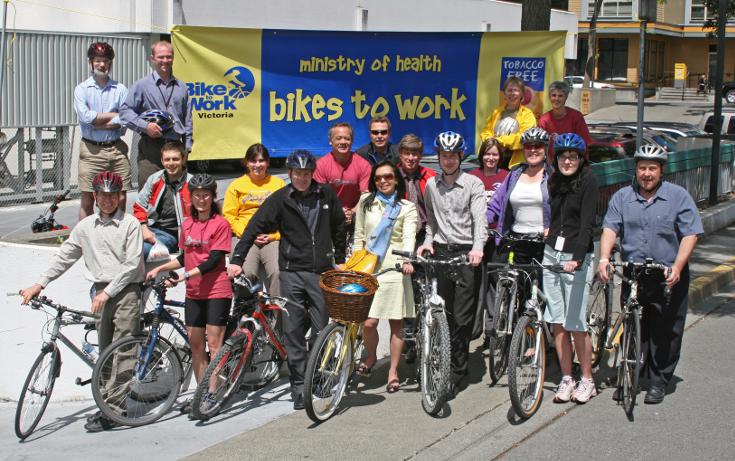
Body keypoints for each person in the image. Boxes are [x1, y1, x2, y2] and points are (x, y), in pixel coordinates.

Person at [20, 171, 144, 432]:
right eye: (103, 195)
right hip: (100, 290)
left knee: (122, 349)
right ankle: (106, 404)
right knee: (104, 349)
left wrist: (107, 293)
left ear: (120, 196)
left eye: (112, 195)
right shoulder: (86, 227)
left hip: (126, 290)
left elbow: (132, 265)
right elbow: (65, 256)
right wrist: (39, 283)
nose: (108, 200)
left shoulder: (130, 224)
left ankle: (116, 409)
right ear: (95, 197)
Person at [227, 150, 346, 410]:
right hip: (291, 272)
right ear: (289, 174)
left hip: (321, 272)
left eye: (306, 173)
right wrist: (237, 259)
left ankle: (317, 375)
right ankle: (298, 385)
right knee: (292, 331)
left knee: (320, 329)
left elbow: (338, 225)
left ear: (311, 173)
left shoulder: (326, 194)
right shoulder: (280, 198)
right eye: (297, 173)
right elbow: (253, 227)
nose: (301, 178)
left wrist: (340, 257)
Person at [598, 144, 703, 405]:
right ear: (636, 170)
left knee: (665, 330)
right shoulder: (622, 197)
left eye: (652, 169)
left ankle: (659, 381)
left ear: (661, 171)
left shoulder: (678, 196)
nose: (647, 174)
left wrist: (678, 266)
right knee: (632, 324)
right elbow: (610, 229)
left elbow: (691, 233)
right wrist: (603, 258)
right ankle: (630, 373)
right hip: (635, 272)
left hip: (667, 272)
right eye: (642, 168)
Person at [146, 174, 232, 400]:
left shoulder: (220, 224)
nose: (201, 199)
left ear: (213, 197)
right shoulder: (187, 224)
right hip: (194, 292)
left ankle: (214, 392)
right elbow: (185, 257)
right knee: (196, 345)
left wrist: (183, 277)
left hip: (216, 290)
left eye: (206, 195)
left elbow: (214, 260)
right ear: (190, 198)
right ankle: (201, 392)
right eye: (197, 195)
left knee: (214, 344)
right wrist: (159, 269)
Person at [416, 131, 487, 399]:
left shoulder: (473, 184)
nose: (447, 161)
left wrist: (478, 247)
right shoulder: (431, 186)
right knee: (443, 314)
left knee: (462, 316)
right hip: (443, 252)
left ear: (460, 157)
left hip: (468, 252)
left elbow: (480, 220)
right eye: (443, 156)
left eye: (452, 156)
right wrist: (427, 242)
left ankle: (458, 370)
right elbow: (431, 223)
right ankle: (443, 363)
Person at [542, 133, 599, 404]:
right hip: (552, 251)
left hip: (577, 256)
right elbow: (553, 217)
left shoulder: (588, 181)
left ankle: (587, 378)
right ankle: (567, 377)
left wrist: (577, 258)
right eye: (563, 156)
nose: (567, 161)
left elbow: (587, 224)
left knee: (575, 322)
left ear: (580, 159)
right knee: (557, 321)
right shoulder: (554, 181)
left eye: (572, 156)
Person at [353, 161, 417, 393]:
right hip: (368, 266)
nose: (383, 181)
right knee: (368, 322)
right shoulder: (366, 202)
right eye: (378, 177)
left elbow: (409, 236)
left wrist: (408, 259)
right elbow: (359, 235)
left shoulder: (406, 207)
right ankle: (371, 356)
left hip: (396, 266)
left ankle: (392, 371)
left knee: (396, 323)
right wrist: (355, 262)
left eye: (388, 176)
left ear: (396, 179)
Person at [120, 40, 192, 188]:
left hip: (175, 145)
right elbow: (125, 112)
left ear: (173, 58)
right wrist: (145, 126)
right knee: (149, 192)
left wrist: (187, 147)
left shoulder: (182, 87)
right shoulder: (142, 85)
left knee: (178, 192)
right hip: (151, 147)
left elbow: (187, 119)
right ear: (153, 58)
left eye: (168, 56)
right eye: (160, 57)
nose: (165, 61)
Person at [73, 42, 131, 219]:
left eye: (105, 60)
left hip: (116, 149)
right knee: (88, 198)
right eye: (98, 60)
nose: (102, 64)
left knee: (120, 195)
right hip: (91, 151)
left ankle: (118, 234)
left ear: (111, 63)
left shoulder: (120, 89)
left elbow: (125, 118)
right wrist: (113, 115)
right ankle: (85, 240)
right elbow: (86, 118)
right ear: (91, 62)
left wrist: (98, 122)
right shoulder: (82, 89)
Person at [222, 143, 286, 295]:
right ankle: (247, 315)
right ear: (246, 163)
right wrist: (248, 234)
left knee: (279, 273)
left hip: (271, 238)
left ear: (268, 162)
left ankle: (276, 316)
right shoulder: (236, 185)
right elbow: (229, 217)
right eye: (253, 161)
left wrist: (274, 236)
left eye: (261, 161)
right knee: (246, 273)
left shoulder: (279, 184)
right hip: (243, 237)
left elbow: (287, 218)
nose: (257, 165)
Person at [486, 127, 552, 265]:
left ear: (545, 149)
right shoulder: (515, 174)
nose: (533, 150)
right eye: (528, 146)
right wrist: (480, 224)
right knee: (517, 283)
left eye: (538, 146)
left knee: (543, 285)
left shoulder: (552, 176)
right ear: (523, 149)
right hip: (517, 241)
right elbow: (495, 205)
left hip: (545, 242)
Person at [396, 133, 436, 363]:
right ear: (400, 154)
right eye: (407, 153)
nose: (411, 158)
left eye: (415, 153)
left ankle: (425, 336)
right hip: (400, 238)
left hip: (424, 236)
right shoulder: (391, 175)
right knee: (404, 291)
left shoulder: (429, 176)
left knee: (425, 289)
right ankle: (407, 340)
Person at [468, 137, 509, 344]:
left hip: (497, 239)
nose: (490, 158)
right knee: (475, 285)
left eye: (494, 154)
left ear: (500, 157)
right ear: (481, 155)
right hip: (474, 239)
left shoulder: (507, 176)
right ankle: (473, 329)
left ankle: (492, 331)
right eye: (487, 153)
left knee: (495, 284)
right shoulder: (472, 176)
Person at [133, 141, 192, 260]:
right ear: (161, 161)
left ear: (183, 159)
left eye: (175, 159)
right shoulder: (154, 179)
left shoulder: (193, 184)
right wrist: (144, 229)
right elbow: (139, 206)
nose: (171, 163)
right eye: (167, 159)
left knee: (141, 250)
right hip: (150, 229)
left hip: (172, 235)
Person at [313, 122, 371, 238]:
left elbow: (366, 195)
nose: (343, 142)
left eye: (347, 139)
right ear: (330, 141)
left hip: (356, 213)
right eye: (338, 138)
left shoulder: (363, 165)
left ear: (352, 141)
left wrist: (353, 212)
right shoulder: (320, 165)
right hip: (329, 212)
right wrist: (338, 212)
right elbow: (320, 197)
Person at [480, 76, 537, 169]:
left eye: (516, 90)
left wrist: (500, 141)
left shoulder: (527, 115)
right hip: (494, 161)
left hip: (516, 165)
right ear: (504, 93)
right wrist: (490, 141)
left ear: (522, 94)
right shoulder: (496, 112)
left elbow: (524, 138)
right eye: (509, 90)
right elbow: (486, 132)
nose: (512, 93)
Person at [538, 81, 592, 162]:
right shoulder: (544, 120)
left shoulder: (576, 117)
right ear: (549, 97)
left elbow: (585, 143)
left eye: (560, 96)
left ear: (565, 98)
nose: (556, 99)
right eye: (554, 95)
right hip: (552, 166)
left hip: (573, 164)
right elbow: (540, 147)